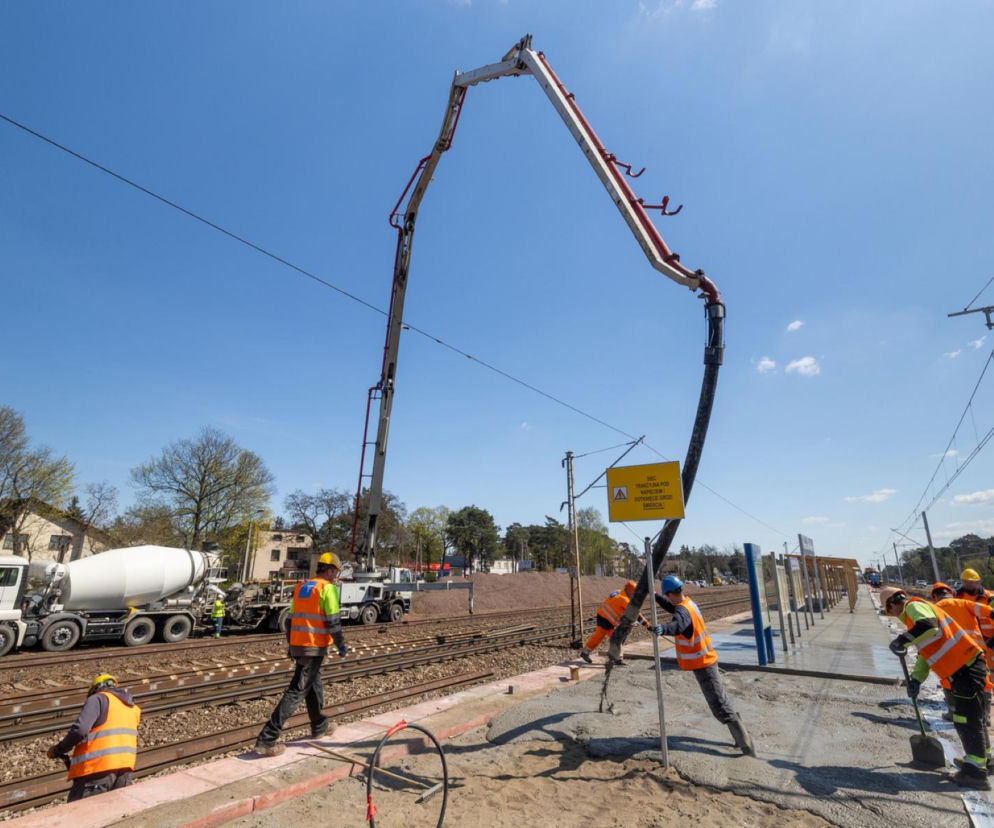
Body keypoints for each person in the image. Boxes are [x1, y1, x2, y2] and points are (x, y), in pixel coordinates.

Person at [882, 586, 990, 789]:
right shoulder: (915, 616)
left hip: (965, 667)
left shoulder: (913, 607)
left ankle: (976, 773)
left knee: (966, 721)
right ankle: (982, 761)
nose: (894, 616)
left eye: (890, 611)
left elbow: (929, 626)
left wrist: (902, 640)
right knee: (973, 718)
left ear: (893, 604)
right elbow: (926, 654)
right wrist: (916, 680)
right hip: (964, 668)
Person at [254, 552, 348, 756]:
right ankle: (267, 739)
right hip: (313, 646)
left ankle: (320, 725)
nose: (335, 576)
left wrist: (292, 643)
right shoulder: (327, 589)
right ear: (330, 570)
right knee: (297, 690)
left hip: (300, 644)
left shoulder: (303, 586)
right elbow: (333, 621)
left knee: (314, 684)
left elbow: (290, 619)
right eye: (335, 572)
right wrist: (341, 644)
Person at [649, 575, 756, 756]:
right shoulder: (688, 603)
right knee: (721, 701)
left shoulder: (683, 612)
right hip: (705, 660)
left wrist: (663, 629)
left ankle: (747, 747)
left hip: (703, 664)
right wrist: (653, 596)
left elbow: (678, 625)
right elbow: (674, 610)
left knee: (719, 705)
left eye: (666, 596)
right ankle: (741, 740)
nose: (667, 599)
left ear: (670, 594)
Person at [46, 674, 141, 801]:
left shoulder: (98, 699)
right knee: (115, 813)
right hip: (125, 770)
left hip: (97, 769)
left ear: (96, 688)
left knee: (82, 815)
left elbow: (80, 730)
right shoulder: (133, 708)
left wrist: (60, 749)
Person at [931, 582, 994, 759]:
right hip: (978, 659)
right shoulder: (964, 603)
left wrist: (917, 678)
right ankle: (986, 759)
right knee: (978, 714)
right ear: (951, 593)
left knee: (964, 718)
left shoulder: (935, 610)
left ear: (934, 597)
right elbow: (990, 611)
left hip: (956, 667)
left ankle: (976, 766)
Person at [579, 580, 651, 665]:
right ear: (628, 590)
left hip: (602, 616)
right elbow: (637, 614)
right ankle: (618, 659)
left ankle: (585, 652)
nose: (633, 595)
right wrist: (647, 625)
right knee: (617, 639)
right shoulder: (624, 599)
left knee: (599, 636)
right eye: (633, 593)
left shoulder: (618, 592)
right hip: (606, 620)